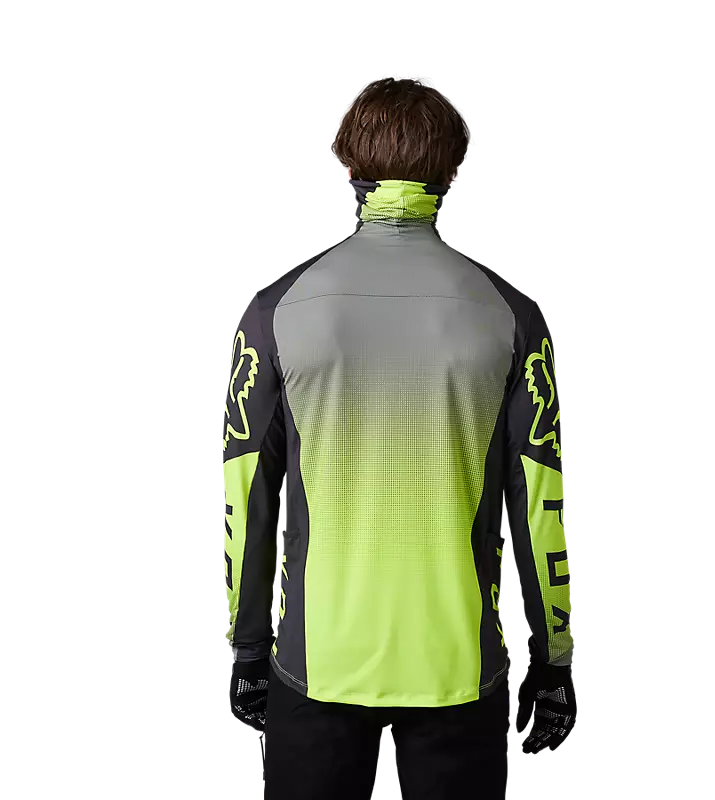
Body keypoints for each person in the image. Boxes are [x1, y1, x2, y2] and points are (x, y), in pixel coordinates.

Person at [222, 73, 577, 800]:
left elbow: (247, 496)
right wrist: (554, 658)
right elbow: (539, 504)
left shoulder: (276, 310)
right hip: (458, 665)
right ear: (453, 170)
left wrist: (249, 645)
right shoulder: (511, 314)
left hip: (316, 662)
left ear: (347, 164)